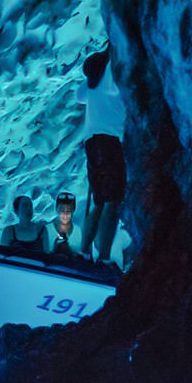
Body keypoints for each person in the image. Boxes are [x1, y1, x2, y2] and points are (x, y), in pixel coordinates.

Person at [77, 47, 126, 264]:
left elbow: (80, 97)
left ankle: (84, 252)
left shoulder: (89, 85)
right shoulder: (108, 76)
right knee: (112, 201)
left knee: (98, 202)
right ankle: (104, 259)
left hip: (91, 142)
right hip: (110, 140)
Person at [50, 192, 76, 256]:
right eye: (61, 209)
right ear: (56, 209)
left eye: (69, 210)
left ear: (73, 210)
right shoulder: (46, 231)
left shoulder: (80, 233)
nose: (65, 213)